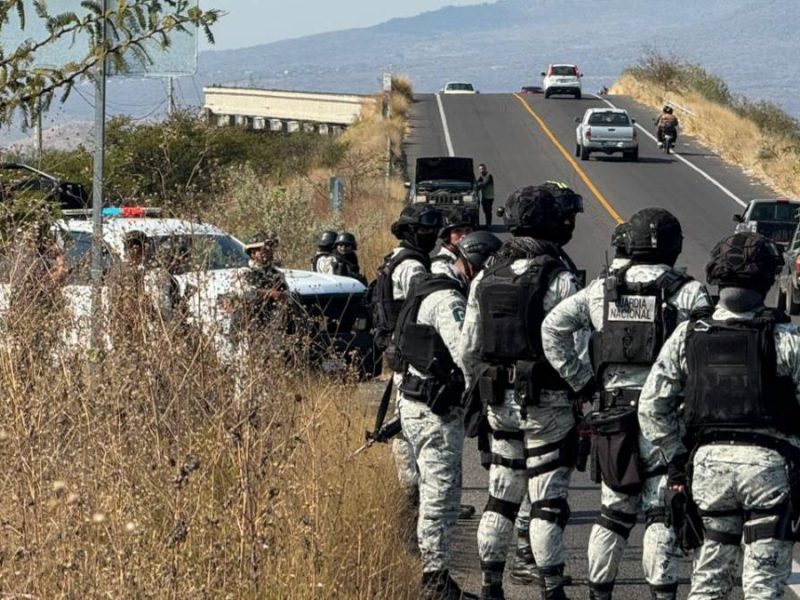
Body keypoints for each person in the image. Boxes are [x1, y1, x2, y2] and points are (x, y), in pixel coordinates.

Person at [541, 208, 711, 600]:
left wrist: (582, 383)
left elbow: (553, 328)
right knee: (659, 512)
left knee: (613, 513)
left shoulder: (603, 289)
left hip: (612, 416)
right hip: (668, 418)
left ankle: (599, 593)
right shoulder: (687, 292)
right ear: (674, 245)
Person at [639, 231, 800, 600]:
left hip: (708, 469)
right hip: (771, 471)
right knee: (764, 586)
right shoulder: (787, 338)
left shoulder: (688, 335)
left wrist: (677, 457)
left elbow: (652, 406)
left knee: (709, 582)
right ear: (768, 281)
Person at [460, 186, 582, 600]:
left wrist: (483, 388)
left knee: (501, 496)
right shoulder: (560, 278)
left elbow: (467, 350)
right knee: (546, 501)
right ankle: (552, 590)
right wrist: (583, 390)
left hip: (498, 401)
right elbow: (575, 347)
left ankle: (491, 587)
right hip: (547, 402)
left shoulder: (484, 276)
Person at [397, 230, 501, 600]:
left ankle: (436, 575)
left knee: (437, 494)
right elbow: (465, 353)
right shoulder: (448, 299)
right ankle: (434, 580)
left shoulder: (432, 287)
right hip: (433, 411)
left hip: (418, 403)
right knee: (440, 497)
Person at [372, 204, 443, 504]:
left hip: (396, 349)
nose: (432, 235)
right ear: (411, 231)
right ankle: (415, 491)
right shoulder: (413, 266)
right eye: (426, 229)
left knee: (402, 419)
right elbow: (422, 309)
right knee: (408, 423)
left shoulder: (395, 258)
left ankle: (413, 489)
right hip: (409, 353)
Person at [432, 209, 475, 276]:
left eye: (468, 230)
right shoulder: (440, 266)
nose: (464, 235)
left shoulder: (474, 257)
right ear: (446, 235)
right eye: (457, 231)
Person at [476, 164, 495, 229]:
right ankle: (487, 224)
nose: (481, 170)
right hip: (484, 197)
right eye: (480, 169)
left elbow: (484, 184)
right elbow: (477, 183)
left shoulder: (489, 176)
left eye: (483, 169)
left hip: (489, 197)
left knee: (488, 210)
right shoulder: (481, 177)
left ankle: (489, 225)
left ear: (485, 169)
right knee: (485, 210)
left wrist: (477, 186)